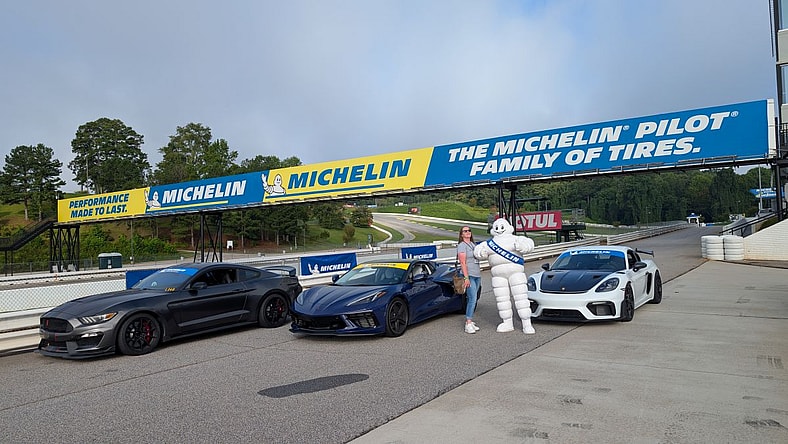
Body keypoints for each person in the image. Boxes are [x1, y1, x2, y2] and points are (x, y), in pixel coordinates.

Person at [457, 226, 481, 334]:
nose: (468, 232)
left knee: (473, 299)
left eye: (469, 230)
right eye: (465, 231)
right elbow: (462, 262)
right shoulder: (462, 246)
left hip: (477, 274)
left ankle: (470, 321)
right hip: (469, 275)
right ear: (461, 234)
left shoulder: (473, 244)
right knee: (472, 298)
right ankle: (468, 322)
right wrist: (466, 277)